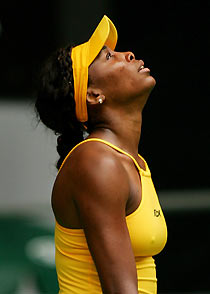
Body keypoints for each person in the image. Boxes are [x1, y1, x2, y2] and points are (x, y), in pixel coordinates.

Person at [35, 15, 167, 294]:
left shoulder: (132, 162)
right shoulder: (97, 162)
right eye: (109, 57)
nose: (128, 55)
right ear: (93, 95)